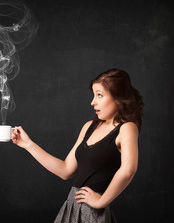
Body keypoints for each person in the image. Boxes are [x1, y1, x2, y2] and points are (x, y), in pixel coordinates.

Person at [12, 69, 144, 223]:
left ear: (118, 98)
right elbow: (65, 170)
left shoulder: (127, 128)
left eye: (99, 95)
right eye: (94, 95)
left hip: (93, 212)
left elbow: (128, 170)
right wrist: (28, 144)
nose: (93, 102)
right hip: (72, 206)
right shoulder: (89, 126)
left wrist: (101, 201)